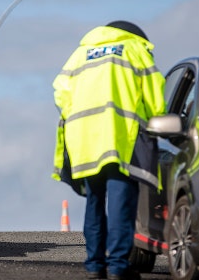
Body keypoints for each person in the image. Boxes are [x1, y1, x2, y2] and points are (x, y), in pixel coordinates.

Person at [52, 21, 166, 280]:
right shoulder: (134, 48)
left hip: (83, 138)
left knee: (94, 200)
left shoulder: (81, 52)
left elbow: (60, 91)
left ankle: (94, 264)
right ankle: (117, 265)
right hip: (118, 137)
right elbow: (154, 91)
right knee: (120, 203)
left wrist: (75, 116)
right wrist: (155, 120)